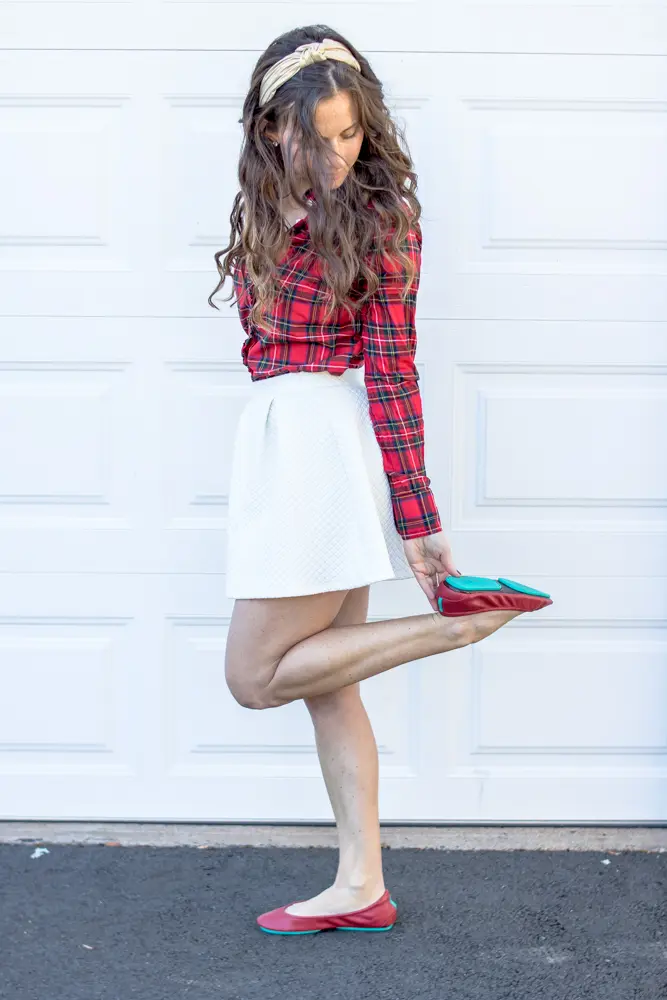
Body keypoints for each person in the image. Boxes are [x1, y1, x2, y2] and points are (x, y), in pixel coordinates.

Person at [208, 26, 552, 935]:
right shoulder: (259, 207)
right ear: (271, 129)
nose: (335, 154)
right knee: (326, 684)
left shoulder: (379, 222)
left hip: (319, 452)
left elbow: (392, 371)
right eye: (316, 135)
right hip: (282, 442)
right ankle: (362, 884)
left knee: (253, 677)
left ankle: (448, 629)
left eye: (350, 133)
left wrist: (419, 518)